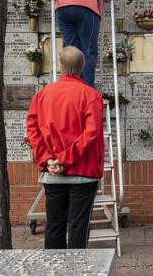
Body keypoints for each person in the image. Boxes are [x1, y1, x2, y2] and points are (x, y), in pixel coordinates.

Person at [26, 46, 105, 249]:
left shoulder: (42, 95)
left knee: (54, 226)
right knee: (78, 227)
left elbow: (33, 130)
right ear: (82, 67)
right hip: (83, 173)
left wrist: (49, 160)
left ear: (60, 66)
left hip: (52, 173)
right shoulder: (90, 95)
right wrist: (64, 159)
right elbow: (91, 134)